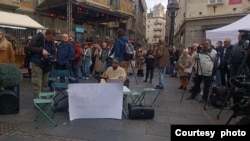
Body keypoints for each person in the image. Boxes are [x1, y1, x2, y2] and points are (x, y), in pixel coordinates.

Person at [28, 29, 56, 98]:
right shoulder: (37, 37)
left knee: (45, 85)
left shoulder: (51, 41)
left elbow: (54, 51)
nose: (51, 40)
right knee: (37, 85)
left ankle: (43, 102)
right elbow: (30, 48)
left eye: (52, 39)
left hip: (47, 64)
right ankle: (38, 103)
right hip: (37, 63)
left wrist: (53, 57)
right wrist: (41, 50)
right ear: (46, 35)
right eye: (50, 38)